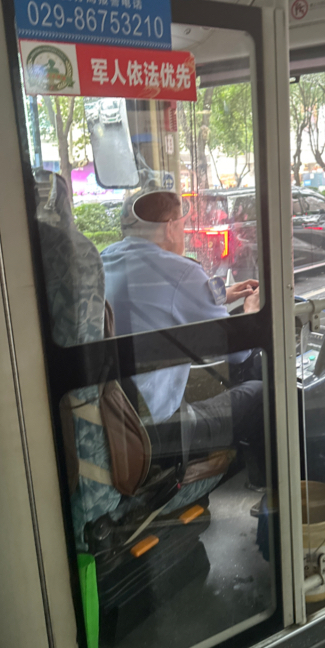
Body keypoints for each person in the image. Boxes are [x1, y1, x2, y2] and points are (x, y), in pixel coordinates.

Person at [101, 189, 266, 492]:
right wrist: (251, 311)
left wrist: (224, 294)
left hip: (117, 419)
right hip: (158, 432)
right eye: (182, 224)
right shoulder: (181, 271)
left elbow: (161, 298)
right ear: (170, 228)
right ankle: (263, 487)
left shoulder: (107, 258)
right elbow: (238, 354)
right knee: (259, 392)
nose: (184, 231)